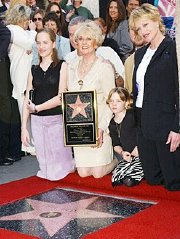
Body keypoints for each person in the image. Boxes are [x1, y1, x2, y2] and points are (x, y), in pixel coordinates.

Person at [129, 3, 180, 191]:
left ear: (156, 21)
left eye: (146, 25)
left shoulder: (173, 49)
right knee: (152, 178)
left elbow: (179, 90)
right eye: (138, 28)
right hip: (143, 121)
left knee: (172, 182)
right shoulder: (140, 53)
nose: (143, 31)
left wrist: (178, 127)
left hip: (165, 123)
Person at [63, 21, 118, 178]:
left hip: (100, 125)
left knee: (98, 174)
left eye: (88, 39)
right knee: (83, 173)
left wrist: (101, 127)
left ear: (96, 42)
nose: (84, 43)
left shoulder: (104, 67)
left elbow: (111, 102)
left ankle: (115, 161)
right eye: (80, 39)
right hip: (80, 127)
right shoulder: (71, 66)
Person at [21, 28, 75, 181]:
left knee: (60, 172)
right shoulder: (33, 69)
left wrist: (38, 108)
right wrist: (23, 127)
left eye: (45, 42)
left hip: (56, 122)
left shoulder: (62, 66)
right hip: (37, 125)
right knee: (44, 172)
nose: (41, 46)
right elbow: (27, 99)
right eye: (38, 43)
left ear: (53, 44)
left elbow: (60, 97)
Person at [65, 17, 125, 86]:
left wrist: (114, 73)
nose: (73, 39)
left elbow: (123, 84)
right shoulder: (68, 58)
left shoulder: (107, 53)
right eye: (71, 35)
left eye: (87, 37)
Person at [107, 87, 144, 186]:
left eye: (118, 101)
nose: (114, 104)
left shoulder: (132, 115)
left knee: (129, 181)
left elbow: (143, 132)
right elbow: (116, 144)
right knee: (115, 179)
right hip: (128, 156)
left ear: (126, 102)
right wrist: (122, 153)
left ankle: (137, 173)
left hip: (142, 153)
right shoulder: (112, 123)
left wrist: (139, 147)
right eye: (111, 101)